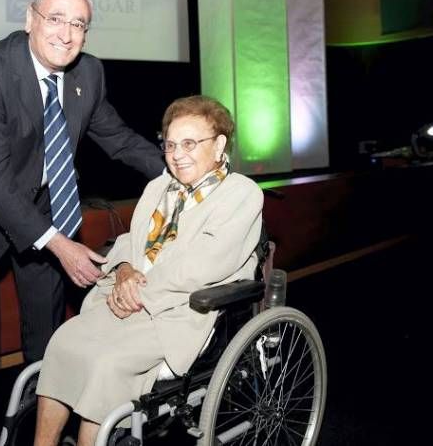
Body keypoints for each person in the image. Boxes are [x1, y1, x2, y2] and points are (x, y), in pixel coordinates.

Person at [0, 0, 164, 446]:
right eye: (56, 18)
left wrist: (179, 169)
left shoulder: (89, 73)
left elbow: (116, 138)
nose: (67, 34)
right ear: (30, 19)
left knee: (47, 333)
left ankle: (39, 427)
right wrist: (59, 245)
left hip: (40, 207)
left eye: (79, 24)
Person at [33, 95, 264, 446]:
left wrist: (138, 290)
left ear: (218, 145)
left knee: (105, 363)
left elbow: (204, 265)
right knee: (63, 342)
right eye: (170, 144)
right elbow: (131, 240)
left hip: (183, 313)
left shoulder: (241, 194)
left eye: (190, 143)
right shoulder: (158, 187)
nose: (177, 154)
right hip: (129, 299)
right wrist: (124, 269)